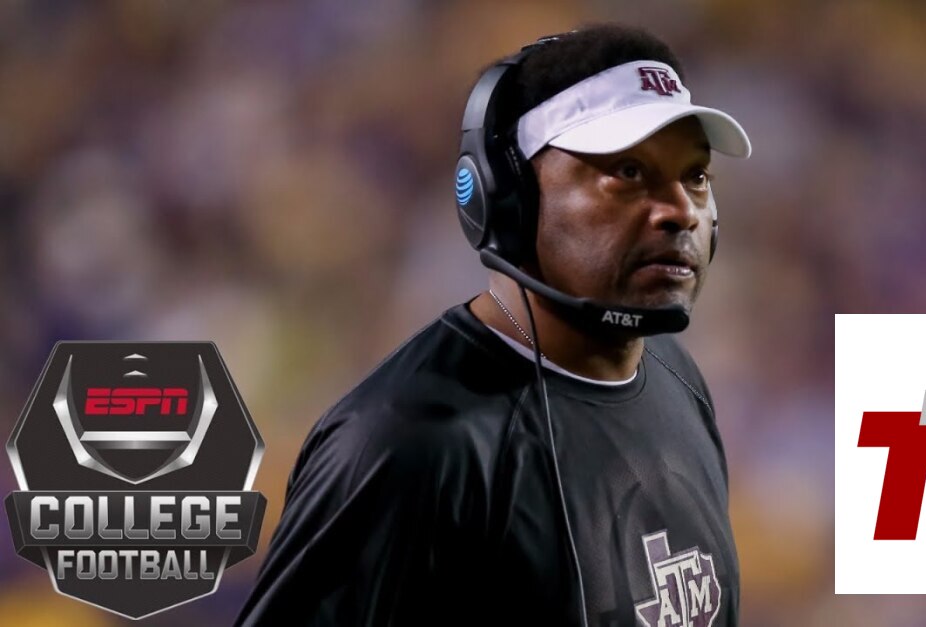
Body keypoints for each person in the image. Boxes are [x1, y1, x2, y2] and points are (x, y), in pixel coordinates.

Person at [237, 23, 750, 627]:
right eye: (629, 172)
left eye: (695, 176)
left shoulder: (676, 381)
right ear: (508, 197)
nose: (681, 211)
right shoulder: (410, 444)